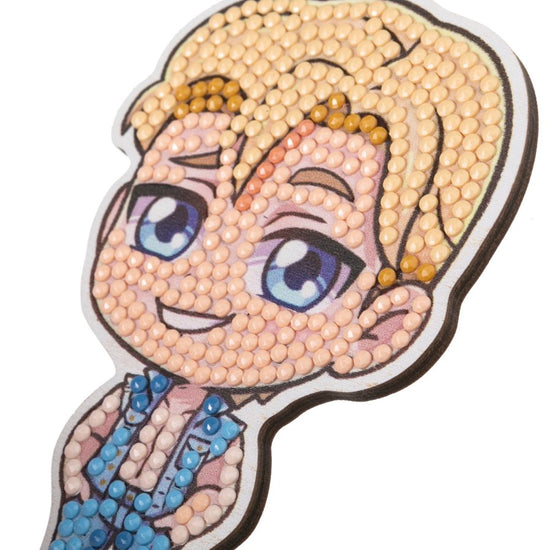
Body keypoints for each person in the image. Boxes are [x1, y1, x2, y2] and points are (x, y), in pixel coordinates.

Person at [44, 0, 520, 548]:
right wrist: (77, 479)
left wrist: (178, 522)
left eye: (298, 269)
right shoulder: (127, 400)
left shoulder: (223, 436)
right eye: (168, 219)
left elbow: (215, 493)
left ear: (381, 326)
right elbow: (84, 446)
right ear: (114, 216)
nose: (205, 279)